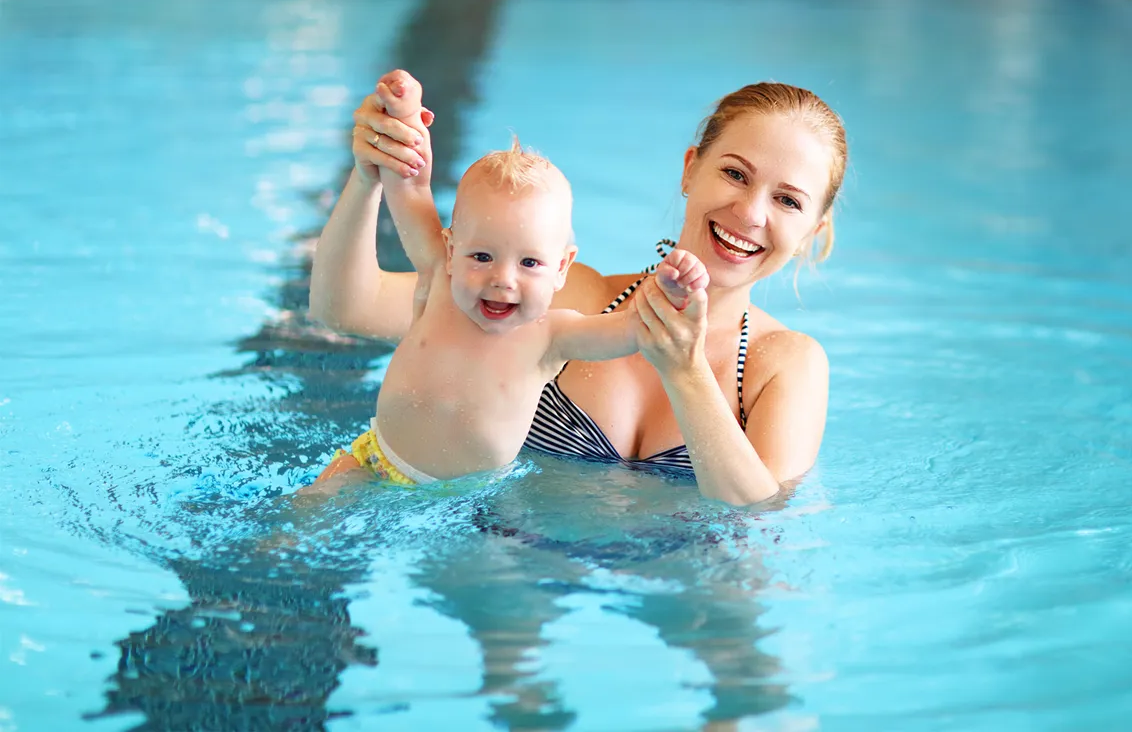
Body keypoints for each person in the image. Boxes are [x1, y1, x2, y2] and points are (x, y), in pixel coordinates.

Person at [326, 71, 846, 506]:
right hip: (501, 580)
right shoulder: (551, 293)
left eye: (789, 201)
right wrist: (370, 173)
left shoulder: (785, 365)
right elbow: (348, 308)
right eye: (735, 174)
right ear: (691, 171)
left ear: (812, 234)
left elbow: (763, 529)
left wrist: (684, 372)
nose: (751, 213)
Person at [306, 72, 709, 490]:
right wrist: (404, 113)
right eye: (481, 256)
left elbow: (631, 330)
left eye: (529, 263)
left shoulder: (552, 336)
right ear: (449, 250)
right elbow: (409, 184)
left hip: (466, 502)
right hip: (374, 462)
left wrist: (674, 293)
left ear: (562, 268)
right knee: (300, 524)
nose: (502, 280)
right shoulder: (440, 282)